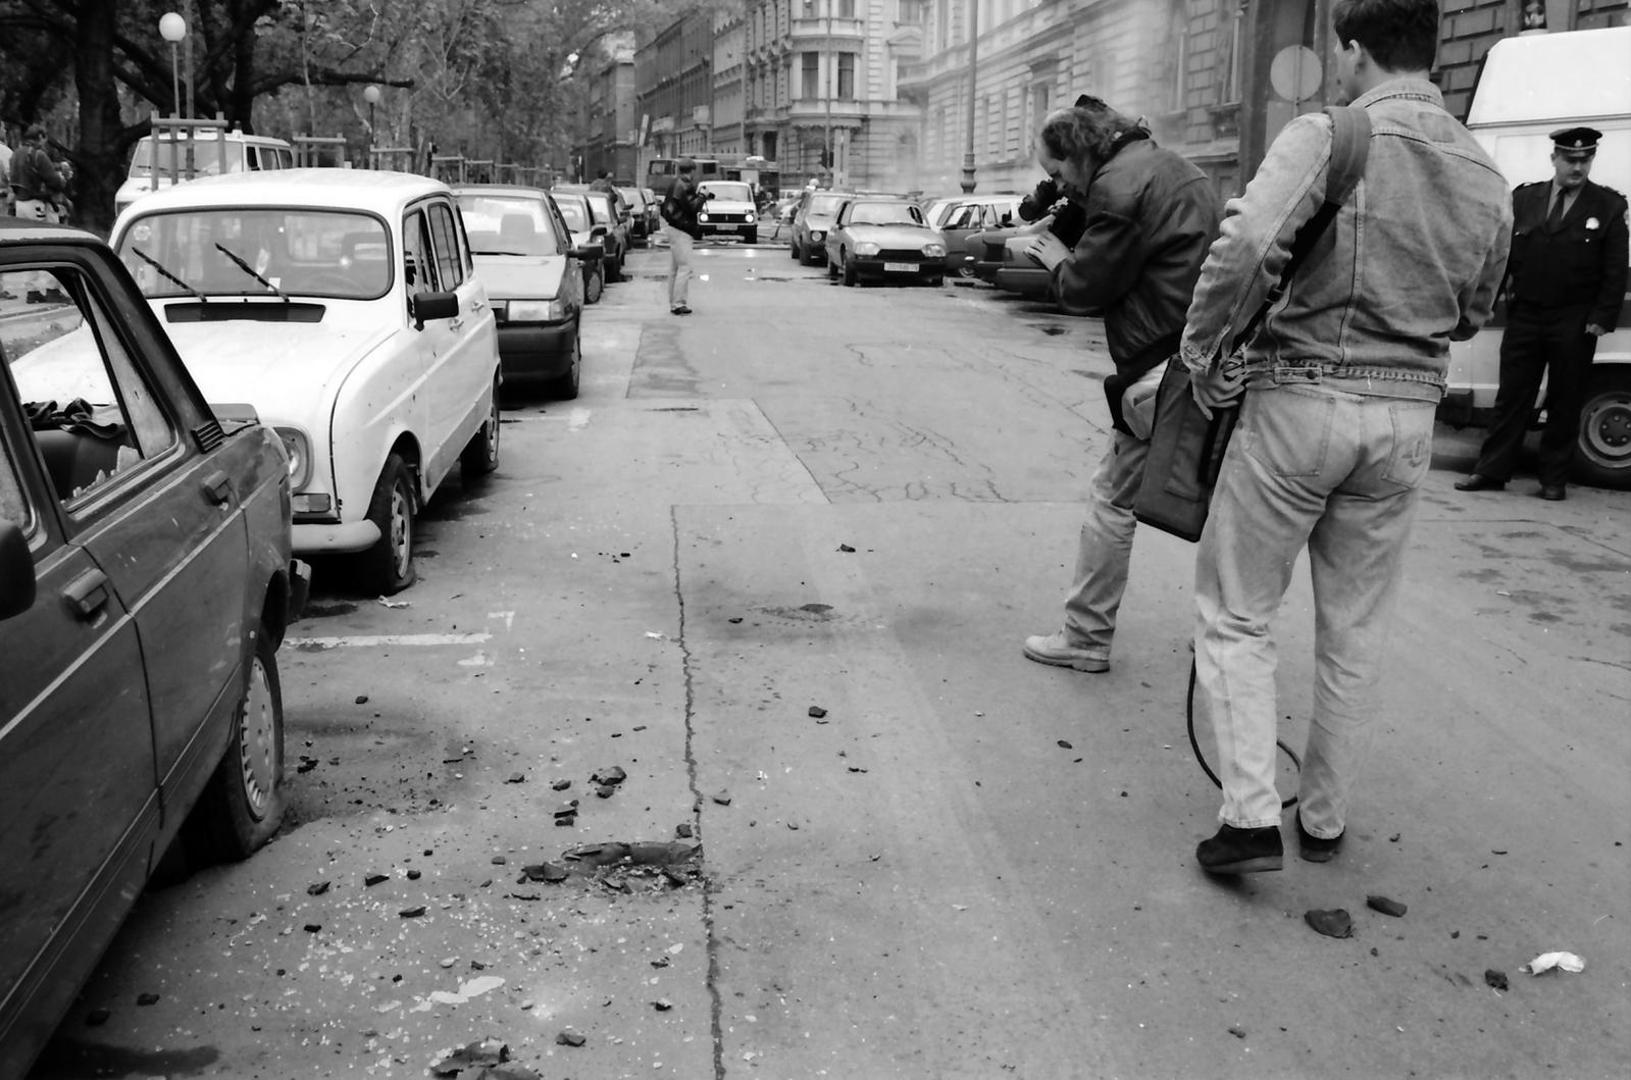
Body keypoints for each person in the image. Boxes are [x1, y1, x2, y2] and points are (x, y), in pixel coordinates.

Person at [1180, 0, 1512, 875]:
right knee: (1354, 631)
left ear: (1356, 50)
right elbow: (1478, 309)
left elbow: (1248, 239)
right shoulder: (1485, 169)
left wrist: (1203, 346)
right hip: (1405, 420)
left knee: (1238, 613)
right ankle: (1322, 819)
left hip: (1300, 400)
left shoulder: (1331, 134)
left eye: (1340, 55)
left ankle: (1250, 817)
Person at [1019, 99, 1222, 673]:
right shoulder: (1175, 167)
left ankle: (1085, 636)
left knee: (1112, 501)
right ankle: (1220, 635)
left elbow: (1085, 288)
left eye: (1059, 175)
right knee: (1223, 502)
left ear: (1080, 155)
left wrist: (1057, 257)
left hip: (1160, 366)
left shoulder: (1118, 186)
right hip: (1209, 359)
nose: (1060, 187)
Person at [1455, 128, 1628, 501]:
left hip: (1575, 318)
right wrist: (1485, 304)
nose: (1577, 167)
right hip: (1526, 315)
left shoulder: (1608, 207)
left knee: (1566, 399)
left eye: (1585, 160)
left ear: (1591, 161)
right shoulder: (1526, 198)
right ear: (1555, 159)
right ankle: (1491, 470)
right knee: (1512, 396)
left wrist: (1602, 316)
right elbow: (1502, 257)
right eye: (1570, 159)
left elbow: (1616, 268)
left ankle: (1553, 479)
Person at [660, 158, 710, 316]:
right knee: (685, 267)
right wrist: (703, 197)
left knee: (675, 268)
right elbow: (693, 207)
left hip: (673, 226)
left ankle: (673, 302)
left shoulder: (675, 183)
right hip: (682, 228)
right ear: (692, 171)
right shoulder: (686, 185)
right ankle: (679, 303)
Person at [11, 124, 66, 224]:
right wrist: (62, 179)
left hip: (19, 204)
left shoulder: (16, 153)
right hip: (36, 205)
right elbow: (54, 180)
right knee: (42, 236)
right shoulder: (38, 154)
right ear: (40, 137)